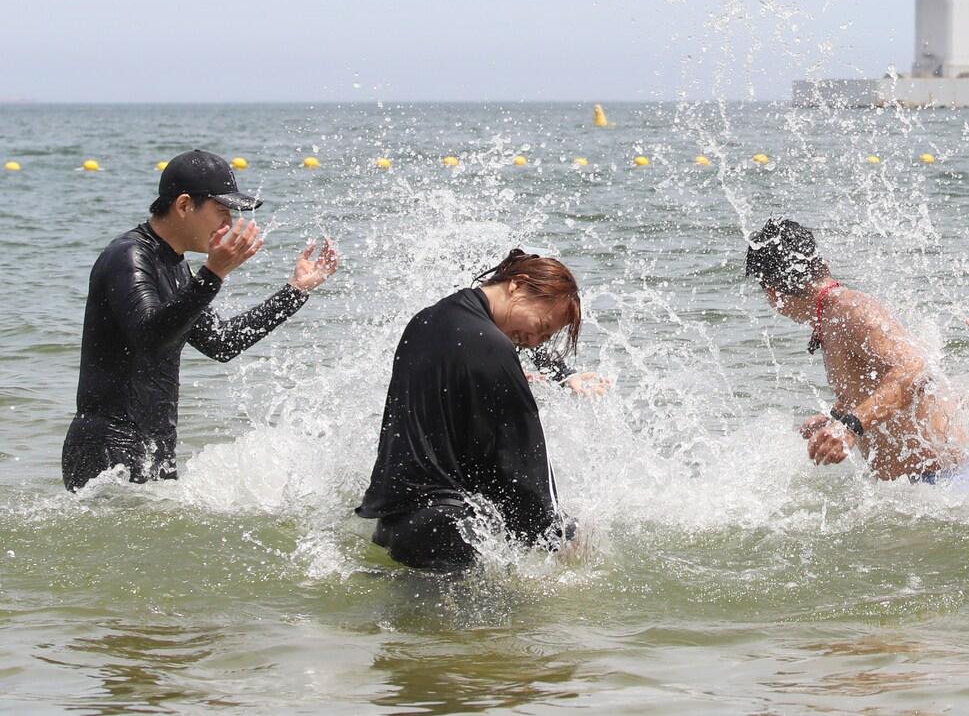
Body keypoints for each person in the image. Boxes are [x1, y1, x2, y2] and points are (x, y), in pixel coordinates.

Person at [62, 150, 339, 491]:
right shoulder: (129, 256)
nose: (229, 224)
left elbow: (221, 343)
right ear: (183, 206)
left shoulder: (177, 265)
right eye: (222, 212)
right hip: (106, 447)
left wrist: (295, 291)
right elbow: (149, 337)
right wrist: (213, 274)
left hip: (153, 447)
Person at [356, 249, 581, 571]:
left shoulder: (430, 318)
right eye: (542, 327)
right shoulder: (490, 345)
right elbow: (520, 463)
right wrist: (556, 537)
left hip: (395, 523)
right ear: (517, 285)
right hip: (450, 531)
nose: (534, 342)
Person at [745, 219, 958, 481]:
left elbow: (915, 369)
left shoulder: (850, 309)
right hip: (921, 487)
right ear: (821, 265)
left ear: (772, 291)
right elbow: (874, 379)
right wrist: (834, 416)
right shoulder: (832, 314)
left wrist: (851, 425)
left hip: (942, 481)